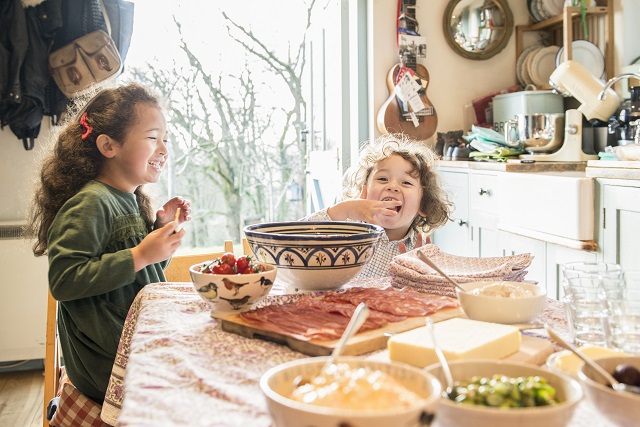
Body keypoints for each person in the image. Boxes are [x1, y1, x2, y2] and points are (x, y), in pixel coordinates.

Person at [26, 83, 191, 404]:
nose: (164, 149)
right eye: (152, 137)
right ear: (108, 145)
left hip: (132, 347)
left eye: (166, 140)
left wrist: (160, 233)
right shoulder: (90, 203)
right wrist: (141, 254)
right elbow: (64, 281)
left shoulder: (129, 200)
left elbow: (135, 277)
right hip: (108, 365)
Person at [303, 133, 452, 278]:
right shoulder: (345, 227)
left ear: (423, 205)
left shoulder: (419, 253)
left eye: (406, 182)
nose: (392, 186)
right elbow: (287, 239)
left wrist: (422, 280)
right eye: (382, 179)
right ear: (364, 191)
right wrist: (343, 209)